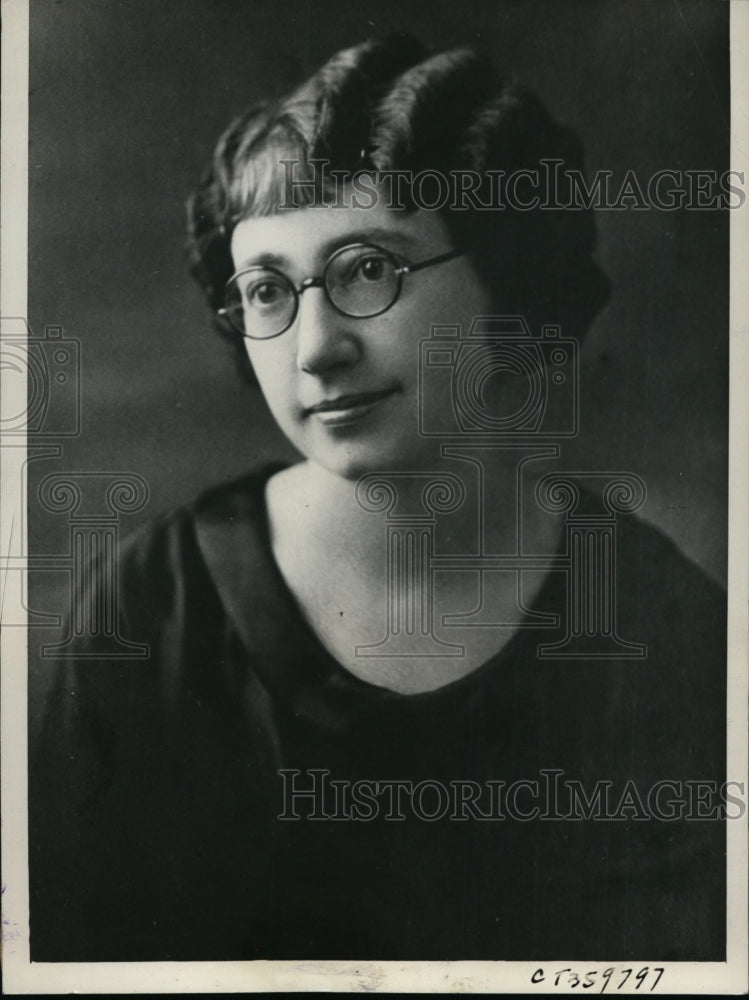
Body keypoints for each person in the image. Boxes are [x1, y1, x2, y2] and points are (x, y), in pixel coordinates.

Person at [29, 34, 725, 962]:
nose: (316, 348)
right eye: (266, 290)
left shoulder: (657, 621)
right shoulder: (149, 610)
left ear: (505, 275)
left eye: (367, 269)